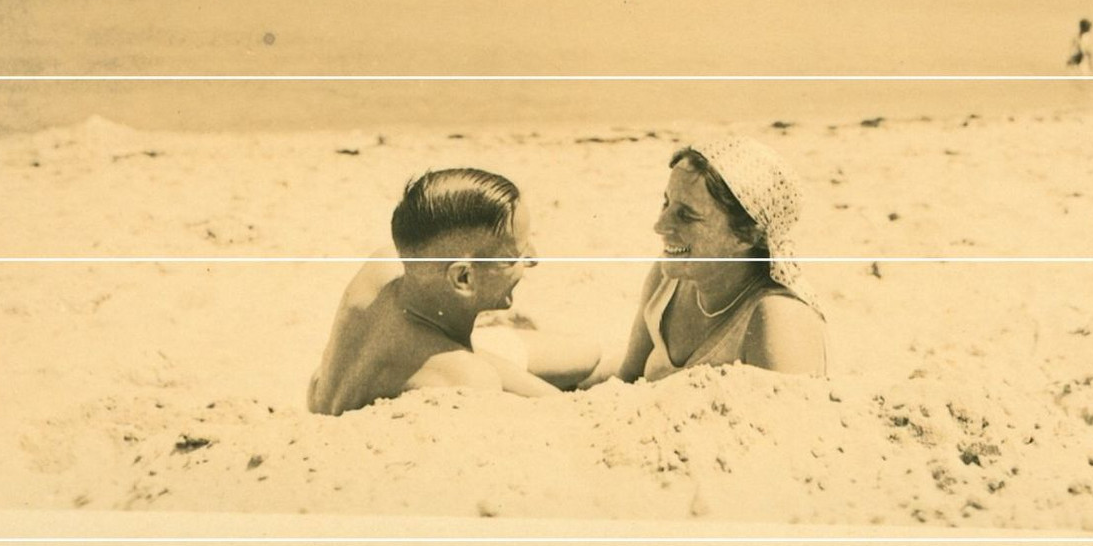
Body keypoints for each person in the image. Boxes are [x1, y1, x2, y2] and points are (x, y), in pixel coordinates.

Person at [307, 167, 580, 416]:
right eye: (514, 257)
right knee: (587, 364)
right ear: (462, 278)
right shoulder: (468, 379)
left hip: (340, 387)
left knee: (583, 356)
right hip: (439, 362)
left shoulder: (383, 266)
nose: (533, 259)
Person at [611, 136, 827, 382]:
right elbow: (626, 380)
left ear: (746, 236)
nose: (660, 226)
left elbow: (787, 417)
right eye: (666, 203)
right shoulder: (670, 278)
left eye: (687, 216)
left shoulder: (777, 319)